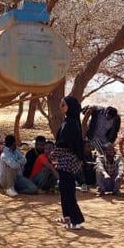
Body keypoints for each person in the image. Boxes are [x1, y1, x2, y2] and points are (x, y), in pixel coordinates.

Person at [53, 96, 86, 229]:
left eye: (63, 105)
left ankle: (76, 220)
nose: (61, 107)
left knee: (68, 190)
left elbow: (65, 144)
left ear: (69, 107)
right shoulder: (68, 121)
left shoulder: (71, 123)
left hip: (68, 161)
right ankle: (67, 216)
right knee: (63, 189)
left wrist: (54, 154)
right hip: (63, 160)